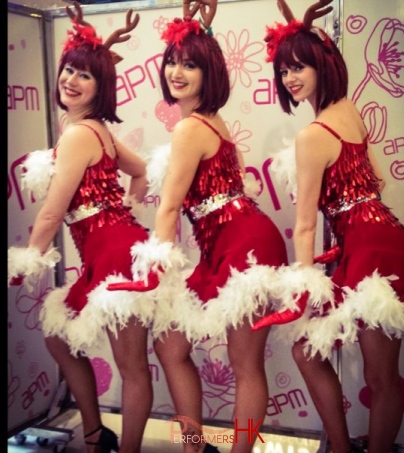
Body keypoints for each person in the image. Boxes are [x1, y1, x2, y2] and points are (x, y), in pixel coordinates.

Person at [107, 1, 293, 452]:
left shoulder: (192, 127)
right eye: (172, 60)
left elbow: (169, 209)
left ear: (210, 72)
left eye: (190, 64)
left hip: (245, 244)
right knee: (171, 349)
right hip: (221, 246)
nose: (177, 71)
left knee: (244, 363)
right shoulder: (202, 123)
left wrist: (155, 270)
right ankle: (194, 445)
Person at [253, 1, 404, 453]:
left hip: (372, 246)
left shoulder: (313, 134)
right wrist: (344, 245)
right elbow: (371, 184)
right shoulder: (348, 109)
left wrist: (303, 291)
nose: (290, 78)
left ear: (322, 63)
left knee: (373, 372)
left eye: (299, 67)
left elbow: (305, 224)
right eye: (283, 70)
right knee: (344, 361)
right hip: (379, 239)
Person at [8, 5, 155, 453]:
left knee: (132, 366)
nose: (70, 80)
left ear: (101, 87)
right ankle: (95, 433)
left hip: (116, 255)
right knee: (58, 336)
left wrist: (26, 263)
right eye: (68, 70)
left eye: (84, 75)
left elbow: (52, 214)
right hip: (103, 254)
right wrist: (119, 209)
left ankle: (123, 447)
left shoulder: (80, 134)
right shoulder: (92, 130)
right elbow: (141, 170)